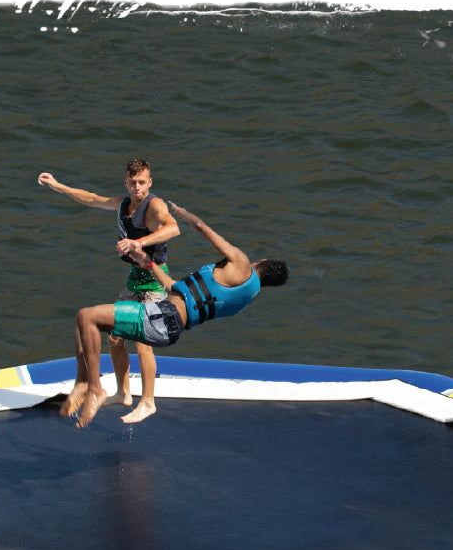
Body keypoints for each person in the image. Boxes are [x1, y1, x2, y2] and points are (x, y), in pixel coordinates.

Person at [61, 202, 289, 428]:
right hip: (166, 322)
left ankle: (97, 389)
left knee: (87, 317)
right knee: (91, 324)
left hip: (159, 319)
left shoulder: (242, 264)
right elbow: (174, 288)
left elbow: (201, 226)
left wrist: (183, 214)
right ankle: (90, 384)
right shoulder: (244, 299)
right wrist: (148, 263)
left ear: (262, 262)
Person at [38, 160, 180, 423]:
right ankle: (123, 392)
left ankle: (148, 402)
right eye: (132, 182)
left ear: (150, 183)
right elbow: (91, 199)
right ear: (126, 183)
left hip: (155, 281)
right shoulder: (123, 203)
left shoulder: (155, 206)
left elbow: (173, 228)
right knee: (115, 339)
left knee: (143, 344)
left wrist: (137, 242)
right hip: (135, 279)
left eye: (142, 183)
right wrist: (58, 186)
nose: (137, 188)